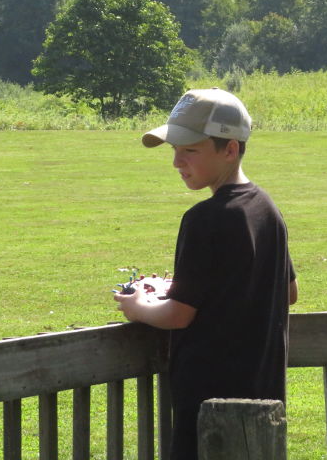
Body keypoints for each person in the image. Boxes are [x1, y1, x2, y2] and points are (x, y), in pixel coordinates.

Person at [115, 87, 298, 460]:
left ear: (229, 148)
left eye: (190, 150)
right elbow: (288, 290)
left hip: (209, 403)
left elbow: (178, 315)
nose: (177, 162)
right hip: (262, 400)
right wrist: (181, 287)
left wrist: (138, 306)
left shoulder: (205, 219)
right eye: (174, 150)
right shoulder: (266, 208)